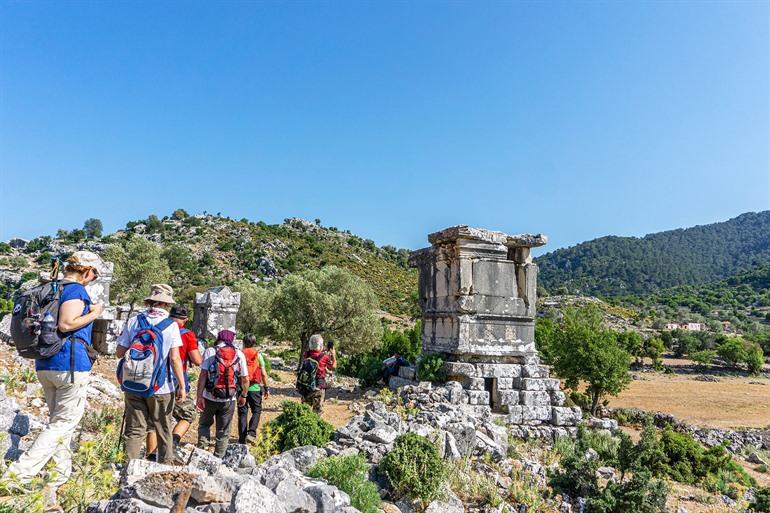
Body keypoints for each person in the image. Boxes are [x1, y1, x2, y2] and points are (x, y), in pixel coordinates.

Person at [4, 252, 104, 499]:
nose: (94, 278)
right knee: (62, 423)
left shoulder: (50, 287)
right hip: (69, 364)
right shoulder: (75, 291)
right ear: (87, 271)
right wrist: (94, 313)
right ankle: (18, 475)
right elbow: (66, 324)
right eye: (95, 274)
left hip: (45, 363)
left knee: (60, 424)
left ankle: (59, 477)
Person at [116, 284, 185, 465]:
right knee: (163, 429)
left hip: (133, 383)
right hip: (161, 386)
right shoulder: (171, 325)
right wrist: (182, 386)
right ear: (167, 304)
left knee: (135, 429)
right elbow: (175, 359)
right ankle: (164, 469)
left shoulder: (134, 321)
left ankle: (127, 469)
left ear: (150, 301)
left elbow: (119, 352)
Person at [145, 304, 201, 461]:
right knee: (188, 413)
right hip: (173, 380)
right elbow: (197, 360)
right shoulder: (187, 335)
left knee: (153, 421)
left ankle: (150, 456)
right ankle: (173, 443)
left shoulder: (158, 326)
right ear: (186, 320)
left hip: (151, 378)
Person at [197, 330, 248, 458]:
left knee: (204, 424)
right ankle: (219, 458)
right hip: (229, 399)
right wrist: (244, 395)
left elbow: (203, 375)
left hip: (209, 396)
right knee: (224, 430)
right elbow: (245, 378)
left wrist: (199, 396)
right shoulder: (239, 354)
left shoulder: (210, 351)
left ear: (218, 338)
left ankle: (201, 454)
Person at [237, 334, 270, 444]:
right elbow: (264, 374)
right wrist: (266, 388)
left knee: (242, 412)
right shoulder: (258, 355)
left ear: (244, 342)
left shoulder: (239, 354)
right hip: (255, 388)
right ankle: (251, 433)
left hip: (241, 388)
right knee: (256, 410)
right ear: (254, 343)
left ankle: (242, 439)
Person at [298, 334, 336, 415]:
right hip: (319, 386)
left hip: (307, 386)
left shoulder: (306, 354)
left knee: (305, 412)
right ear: (321, 345)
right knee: (317, 412)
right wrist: (333, 355)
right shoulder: (324, 356)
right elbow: (333, 367)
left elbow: (315, 359)